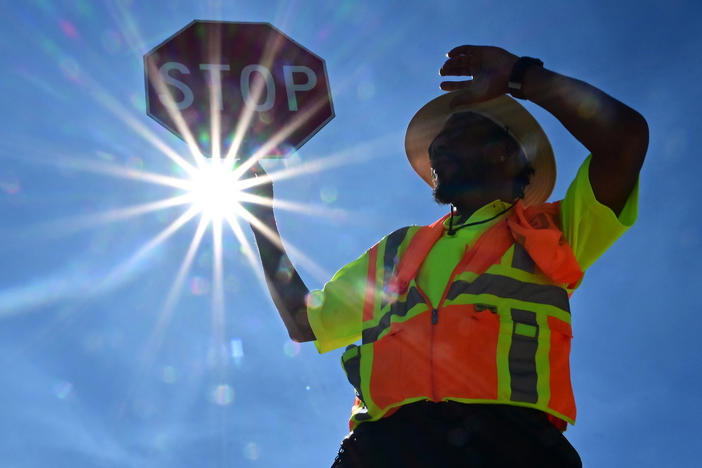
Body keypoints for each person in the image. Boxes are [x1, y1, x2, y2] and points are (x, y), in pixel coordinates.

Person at [246, 45, 648, 467]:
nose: (437, 148)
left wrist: (519, 75)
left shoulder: (555, 231)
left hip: (514, 448)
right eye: (438, 142)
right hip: (382, 450)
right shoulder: (397, 250)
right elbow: (303, 321)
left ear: (506, 153)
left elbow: (625, 139)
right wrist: (261, 217)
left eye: (456, 134)